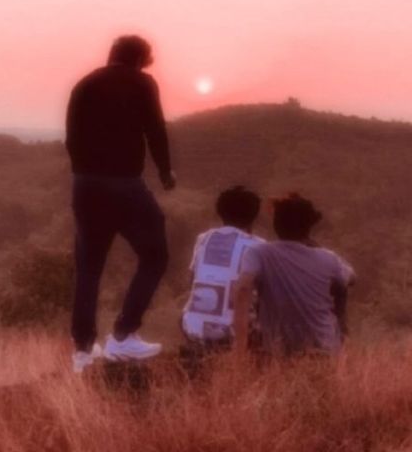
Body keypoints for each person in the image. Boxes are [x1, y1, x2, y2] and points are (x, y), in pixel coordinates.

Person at [65, 35, 176, 372]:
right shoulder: (142, 83)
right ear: (142, 59)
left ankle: (84, 351)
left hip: (85, 185)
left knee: (89, 266)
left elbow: (71, 139)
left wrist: (85, 173)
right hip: (124, 184)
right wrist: (165, 171)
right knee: (155, 255)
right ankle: (124, 335)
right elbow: (155, 130)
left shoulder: (84, 84)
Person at [235, 193, 355, 358]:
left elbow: (243, 287)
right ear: (309, 226)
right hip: (323, 352)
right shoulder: (329, 259)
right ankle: (342, 338)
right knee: (339, 287)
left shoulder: (259, 253)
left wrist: (240, 347)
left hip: (276, 352)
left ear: (276, 224)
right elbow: (351, 278)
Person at [180, 186, 264, 367]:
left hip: (192, 329)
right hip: (235, 335)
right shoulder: (260, 246)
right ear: (254, 216)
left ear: (220, 212)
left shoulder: (204, 238)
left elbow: (191, 280)